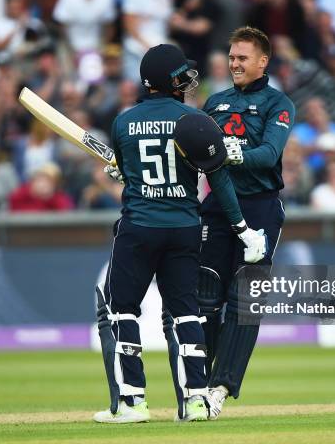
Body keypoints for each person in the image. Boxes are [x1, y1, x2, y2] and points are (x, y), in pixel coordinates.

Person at [93, 43, 267, 424]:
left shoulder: (123, 121)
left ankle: (133, 402)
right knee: (186, 313)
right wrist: (241, 227)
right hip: (186, 228)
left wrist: (124, 172)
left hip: (139, 227)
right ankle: (195, 401)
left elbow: (127, 168)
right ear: (167, 81)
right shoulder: (194, 118)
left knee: (124, 311)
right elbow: (217, 177)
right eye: (181, 74)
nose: (188, 78)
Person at [198, 27, 295, 419]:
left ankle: (220, 389)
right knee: (205, 299)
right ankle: (198, 385)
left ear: (262, 62)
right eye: (232, 56)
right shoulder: (215, 102)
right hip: (217, 208)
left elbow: (270, 153)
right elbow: (189, 156)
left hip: (259, 209)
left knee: (244, 303)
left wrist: (231, 154)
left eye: (242, 58)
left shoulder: (279, 103)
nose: (234, 63)